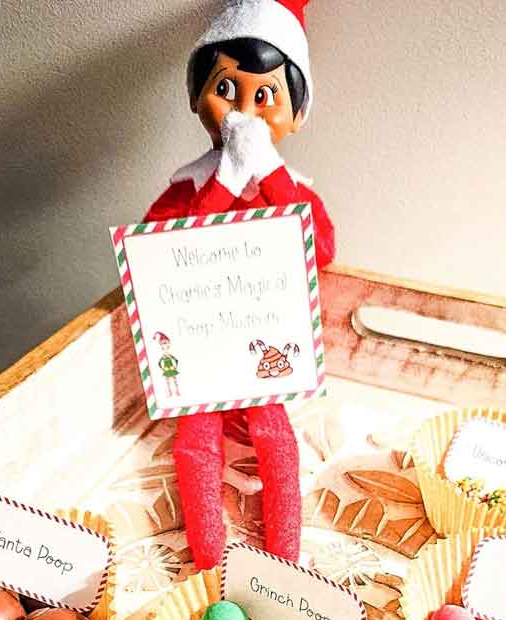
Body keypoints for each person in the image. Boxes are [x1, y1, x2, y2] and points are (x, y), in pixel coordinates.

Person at [144, 0, 334, 569]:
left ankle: (284, 564)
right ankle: (208, 564)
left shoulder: (293, 186)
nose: (244, 114)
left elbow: (320, 247)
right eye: (227, 90)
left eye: (265, 96)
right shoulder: (188, 189)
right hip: (199, 347)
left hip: (267, 347)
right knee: (194, 441)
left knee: (275, 436)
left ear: (295, 115)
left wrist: (268, 172)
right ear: (197, 95)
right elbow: (165, 245)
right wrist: (226, 179)